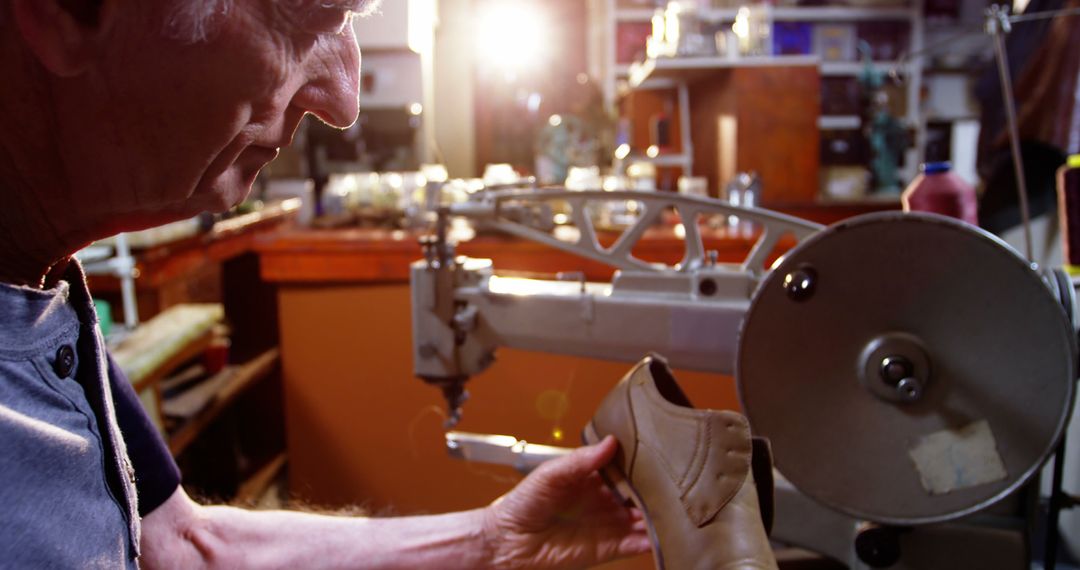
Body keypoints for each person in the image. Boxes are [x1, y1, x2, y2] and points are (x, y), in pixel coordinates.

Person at [0, 0, 651, 567]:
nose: (344, 102)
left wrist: (494, 537)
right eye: (311, 19)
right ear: (73, 7)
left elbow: (184, 548)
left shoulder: (43, 294)